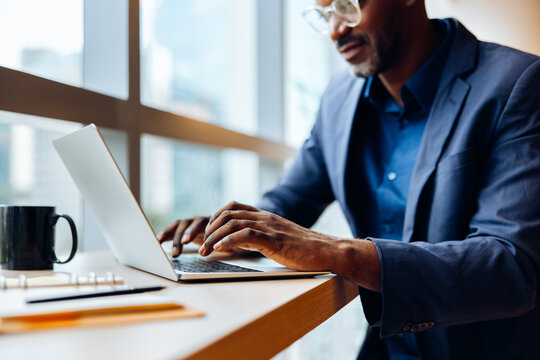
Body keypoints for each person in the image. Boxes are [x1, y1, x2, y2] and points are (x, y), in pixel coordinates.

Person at [159, 0, 540, 358]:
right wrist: (232, 228)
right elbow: (289, 201)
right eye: (323, 14)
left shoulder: (518, 83)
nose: (334, 31)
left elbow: (510, 267)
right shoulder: (339, 99)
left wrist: (336, 251)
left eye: (347, 6)